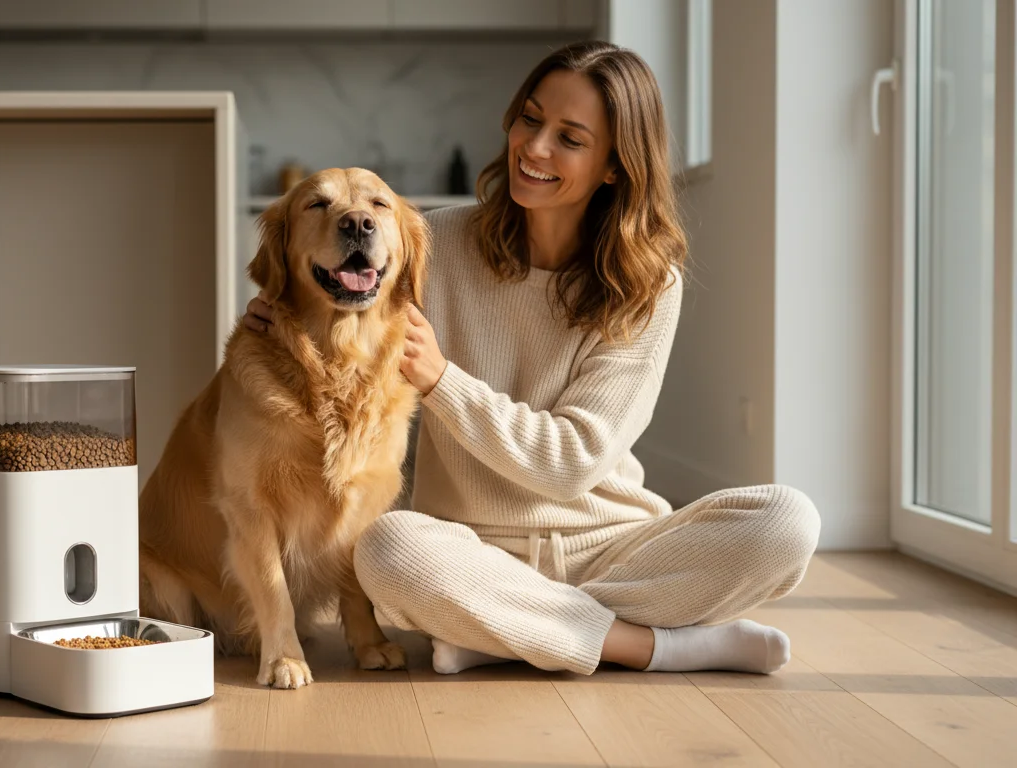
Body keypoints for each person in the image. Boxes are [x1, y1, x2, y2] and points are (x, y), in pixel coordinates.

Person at [241, 40, 819, 677]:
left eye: (570, 138)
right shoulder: (433, 242)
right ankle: (652, 645)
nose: (535, 148)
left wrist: (442, 381)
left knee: (787, 522)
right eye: (530, 118)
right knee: (388, 549)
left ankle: (503, 630)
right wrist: (285, 313)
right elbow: (336, 299)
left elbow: (572, 462)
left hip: (614, 546)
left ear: (613, 166)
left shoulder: (649, 286)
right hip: (466, 548)